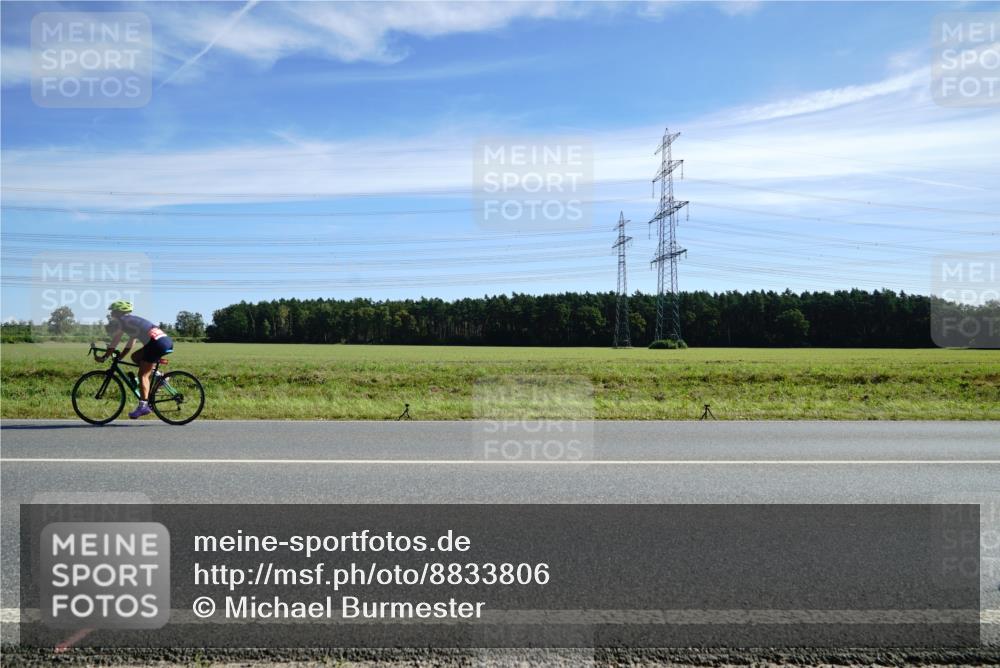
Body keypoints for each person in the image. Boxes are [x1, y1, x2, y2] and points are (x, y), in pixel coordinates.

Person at [98, 300, 174, 419]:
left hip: (156, 344)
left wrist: (105, 356)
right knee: (135, 357)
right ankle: (159, 377)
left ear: (119, 312)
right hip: (164, 342)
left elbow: (116, 340)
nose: (111, 314)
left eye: (113, 311)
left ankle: (143, 406)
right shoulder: (132, 321)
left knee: (142, 375)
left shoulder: (123, 322)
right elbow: (130, 344)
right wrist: (120, 357)